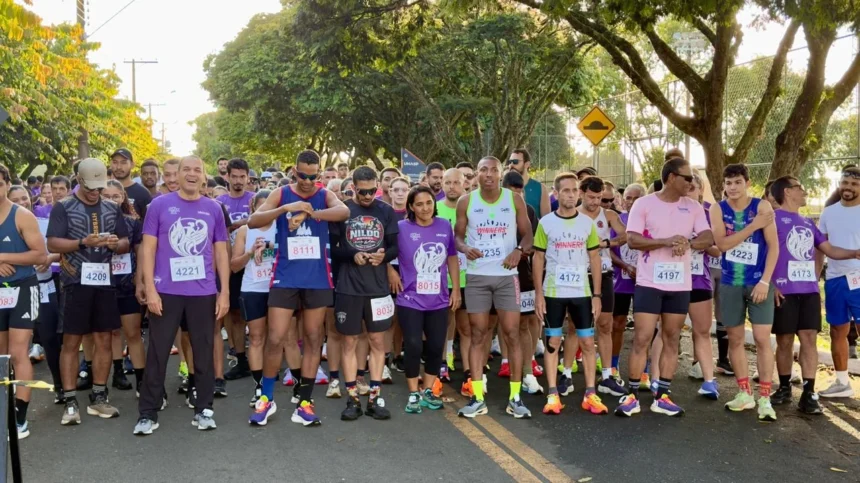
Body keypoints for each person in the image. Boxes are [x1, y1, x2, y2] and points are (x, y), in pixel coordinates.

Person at [248, 150, 348, 427]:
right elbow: (255, 221)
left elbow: (344, 211)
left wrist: (310, 213)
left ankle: (304, 401)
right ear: (294, 170)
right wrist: (286, 209)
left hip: (317, 278)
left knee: (315, 338)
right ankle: (266, 399)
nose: (307, 181)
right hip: (286, 277)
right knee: (275, 338)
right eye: (303, 175)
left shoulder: (323, 194)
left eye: (313, 176)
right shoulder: (281, 193)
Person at [133, 155, 230, 435]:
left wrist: (223, 293)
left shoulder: (213, 208)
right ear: (176, 174)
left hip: (203, 292)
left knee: (203, 351)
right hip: (166, 291)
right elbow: (148, 249)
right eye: (185, 169)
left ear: (204, 176)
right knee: (158, 353)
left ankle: (204, 409)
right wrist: (150, 288)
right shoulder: (159, 205)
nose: (191, 174)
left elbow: (221, 252)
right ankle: (147, 413)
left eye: (196, 170)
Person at [615, 157, 713, 418]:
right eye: (687, 178)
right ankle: (632, 395)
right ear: (671, 178)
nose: (691, 183)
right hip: (649, 282)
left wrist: (689, 243)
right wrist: (665, 242)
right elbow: (633, 240)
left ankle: (663, 396)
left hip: (680, 284)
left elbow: (708, 236)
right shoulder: (644, 204)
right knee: (642, 338)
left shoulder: (693, 207)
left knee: (671, 337)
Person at [47, 158, 130, 425]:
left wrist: (116, 244)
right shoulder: (64, 206)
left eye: (99, 187)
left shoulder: (111, 207)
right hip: (74, 282)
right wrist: (83, 241)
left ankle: (99, 397)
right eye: (91, 187)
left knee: (105, 339)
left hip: (104, 282)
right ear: (79, 181)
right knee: (71, 342)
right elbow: (53, 242)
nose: (96, 192)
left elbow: (126, 241)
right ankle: (70, 401)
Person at [455, 156, 534, 419]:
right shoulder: (466, 201)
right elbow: (457, 235)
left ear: (501, 173)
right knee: (478, 334)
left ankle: (515, 397)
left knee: (511, 333)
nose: (488, 174)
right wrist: (465, 247)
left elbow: (528, 234)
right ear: (476, 174)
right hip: (477, 277)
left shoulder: (514, 200)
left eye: (493, 170)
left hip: (506, 277)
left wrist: (519, 251)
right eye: (483, 170)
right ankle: (477, 397)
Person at [769, 176, 857, 412]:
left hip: (808, 291)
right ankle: (785, 386)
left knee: (809, 338)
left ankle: (809, 393)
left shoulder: (808, 222)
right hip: (783, 290)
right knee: (785, 340)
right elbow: (761, 253)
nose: (805, 191)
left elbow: (828, 249)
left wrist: (854, 253)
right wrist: (769, 284)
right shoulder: (772, 219)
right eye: (800, 187)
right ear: (788, 192)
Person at [532, 173, 606, 415]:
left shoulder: (587, 224)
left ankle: (591, 394)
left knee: (586, 341)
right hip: (553, 292)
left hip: (582, 293)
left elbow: (594, 257)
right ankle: (553, 393)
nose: (572, 194)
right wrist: (539, 294)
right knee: (553, 341)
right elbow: (538, 257)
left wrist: (597, 295)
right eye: (566, 190)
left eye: (575, 190)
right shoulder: (546, 223)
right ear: (556, 194)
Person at [710, 163, 779, 421]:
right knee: (735, 339)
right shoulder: (718, 209)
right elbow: (723, 244)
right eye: (728, 183)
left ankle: (765, 398)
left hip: (758, 282)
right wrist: (752, 227)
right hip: (730, 282)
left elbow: (773, 247)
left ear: (748, 183)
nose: (732, 188)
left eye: (738, 182)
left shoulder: (761, 207)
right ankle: (744, 393)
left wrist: (765, 281)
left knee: (762, 339)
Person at [330, 166, 399, 421]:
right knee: (349, 341)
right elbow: (334, 249)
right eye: (363, 191)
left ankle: (374, 398)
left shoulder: (386, 211)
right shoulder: (343, 211)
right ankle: (352, 398)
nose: (368, 196)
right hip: (348, 287)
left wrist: (383, 256)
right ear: (353, 188)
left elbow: (394, 247)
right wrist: (352, 254)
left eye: (372, 191)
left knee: (378, 342)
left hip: (378, 287)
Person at [390, 186, 460, 413]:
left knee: (436, 345)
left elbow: (451, 258)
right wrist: (390, 271)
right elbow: (384, 252)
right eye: (419, 204)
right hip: (409, 298)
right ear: (411, 206)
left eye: (428, 203)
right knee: (412, 344)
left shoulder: (444, 226)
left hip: (438, 299)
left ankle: (428, 389)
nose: (425, 208)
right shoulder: (401, 228)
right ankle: (412, 392)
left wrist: (455, 289)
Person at [0, 166, 48, 439]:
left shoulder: (22, 216)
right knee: (1, 356)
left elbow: (40, 256)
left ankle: (20, 418)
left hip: (22, 288)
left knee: (19, 352)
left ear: (7, 184)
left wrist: (4, 258)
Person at [576, 176, 628, 397]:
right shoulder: (573, 214)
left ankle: (606, 375)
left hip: (604, 275)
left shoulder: (608, 215)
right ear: (581, 193)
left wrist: (605, 243)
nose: (595, 202)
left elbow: (626, 236)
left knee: (605, 325)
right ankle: (566, 374)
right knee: (574, 327)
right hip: (578, 275)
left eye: (599, 198)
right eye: (591, 197)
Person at [817, 166, 860, 398]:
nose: (848, 188)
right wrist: (814, 278)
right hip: (834, 279)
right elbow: (821, 249)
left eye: (854, 184)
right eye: (845, 183)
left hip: (859, 280)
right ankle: (842, 383)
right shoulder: (828, 213)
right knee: (837, 330)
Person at [230, 190, 275, 407]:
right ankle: (259, 387)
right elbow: (234, 265)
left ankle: (271, 384)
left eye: (269, 206)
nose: (265, 210)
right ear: (253, 208)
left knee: (279, 339)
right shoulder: (244, 231)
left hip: (278, 288)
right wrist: (250, 252)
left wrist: (269, 247)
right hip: (253, 288)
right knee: (256, 338)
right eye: (261, 206)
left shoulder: (282, 227)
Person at [500, 171, 543, 395]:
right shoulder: (488, 208)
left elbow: (534, 243)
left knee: (524, 324)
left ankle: (527, 372)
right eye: (513, 192)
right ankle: (496, 365)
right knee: (489, 325)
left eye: (521, 192)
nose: (518, 197)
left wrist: (520, 252)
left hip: (522, 275)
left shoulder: (528, 210)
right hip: (490, 275)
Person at [218, 158, 255, 386]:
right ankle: (240, 357)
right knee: (234, 314)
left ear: (248, 177)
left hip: (255, 263)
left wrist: (238, 223)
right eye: (235, 176)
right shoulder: (219, 202)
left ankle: (266, 359)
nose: (239, 180)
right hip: (230, 263)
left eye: (243, 177)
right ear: (227, 177)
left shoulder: (256, 199)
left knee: (261, 315)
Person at [685, 173, 720, 400]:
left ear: (700, 190)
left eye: (692, 188)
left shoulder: (709, 214)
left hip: (699, 279)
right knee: (665, 331)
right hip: (671, 279)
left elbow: (718, 250)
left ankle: (709, 381)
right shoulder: (668, 211)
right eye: (685, 187)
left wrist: (699, 243)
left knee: (702, 331)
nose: (688, 192)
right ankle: (655, 376)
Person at [437, 169, 470, 392]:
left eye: (456, 182)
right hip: (440, 279)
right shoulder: (435, 209)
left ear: (464, 183)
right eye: (447, 182)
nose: (451, 187)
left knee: (467, 328)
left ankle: (469, 372)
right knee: (443, 325)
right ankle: (442, 364)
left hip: (469, 278)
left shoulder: (472, 208)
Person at [608, 183, 645, 387]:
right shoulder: (618, 221)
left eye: (636, 198)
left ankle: (645, 371)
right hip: (621, 280)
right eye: (628, 198)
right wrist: (625, 265)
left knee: (644, 328)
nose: (631, 202)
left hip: (643, 281)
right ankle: (613, 367)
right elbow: (609, 248)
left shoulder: (650, 221)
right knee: (617, 324)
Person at [508, 149, 550, 217]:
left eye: (515, 162)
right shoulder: (503, 188)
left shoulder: (540, 188)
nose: (511, 165)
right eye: (510, 162)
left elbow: (546, 220)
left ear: (527, 164)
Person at [110, 148, 151, 218]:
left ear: (132, 165)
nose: (118, 167)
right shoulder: (104, 190)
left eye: (123, 162)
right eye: (115, 162)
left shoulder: (143, 193)